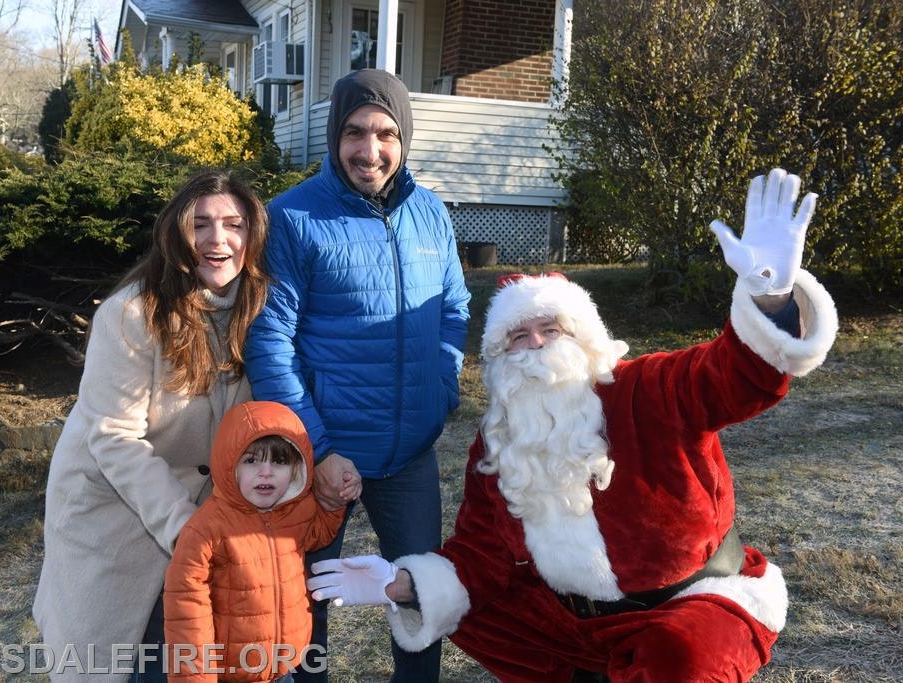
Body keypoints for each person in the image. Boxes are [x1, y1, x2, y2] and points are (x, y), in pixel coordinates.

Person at [306, 169, 840, 681]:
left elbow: (731, 380)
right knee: (466, 612)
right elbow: (481, 552)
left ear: (585, 336)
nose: (535, 344)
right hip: (575, 621)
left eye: (551, 328)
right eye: (518, 336)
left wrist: (770, 299)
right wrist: (403, 584)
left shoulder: (645, 388)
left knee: (679, 658)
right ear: (499, 357)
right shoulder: (499, 440)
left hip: (687, 602)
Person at [244, 68, 471, 682]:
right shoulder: (292, 218)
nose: (369, 151)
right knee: (305, 608)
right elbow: (269, 341)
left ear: (404, 139)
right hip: (325, 461)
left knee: (421, 598)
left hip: (410, 460)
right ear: (333, 136)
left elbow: (453, 309)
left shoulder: (430, 213)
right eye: (355, 132)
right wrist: (317, 449)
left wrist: (443, 386)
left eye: (385, 134)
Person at [33, 169, 270, 682]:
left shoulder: (261, 308)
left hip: (201, 522)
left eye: (234, 224)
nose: (217, 239)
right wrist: (187, 526)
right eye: (201, 224)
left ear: (253, 235)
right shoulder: (132, 313)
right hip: (116, 512)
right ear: (176, 234)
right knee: (112, 660)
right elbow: (114, 436)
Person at [163, 401, 357, 683]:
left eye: (278, 461)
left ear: (296, 469)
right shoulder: (206, 529)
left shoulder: (295, 510)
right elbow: (187, 613)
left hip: (283, 669)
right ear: (229, 464)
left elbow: (318, 535)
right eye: (251, 460)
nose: (265, 472)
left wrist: (335, 502)